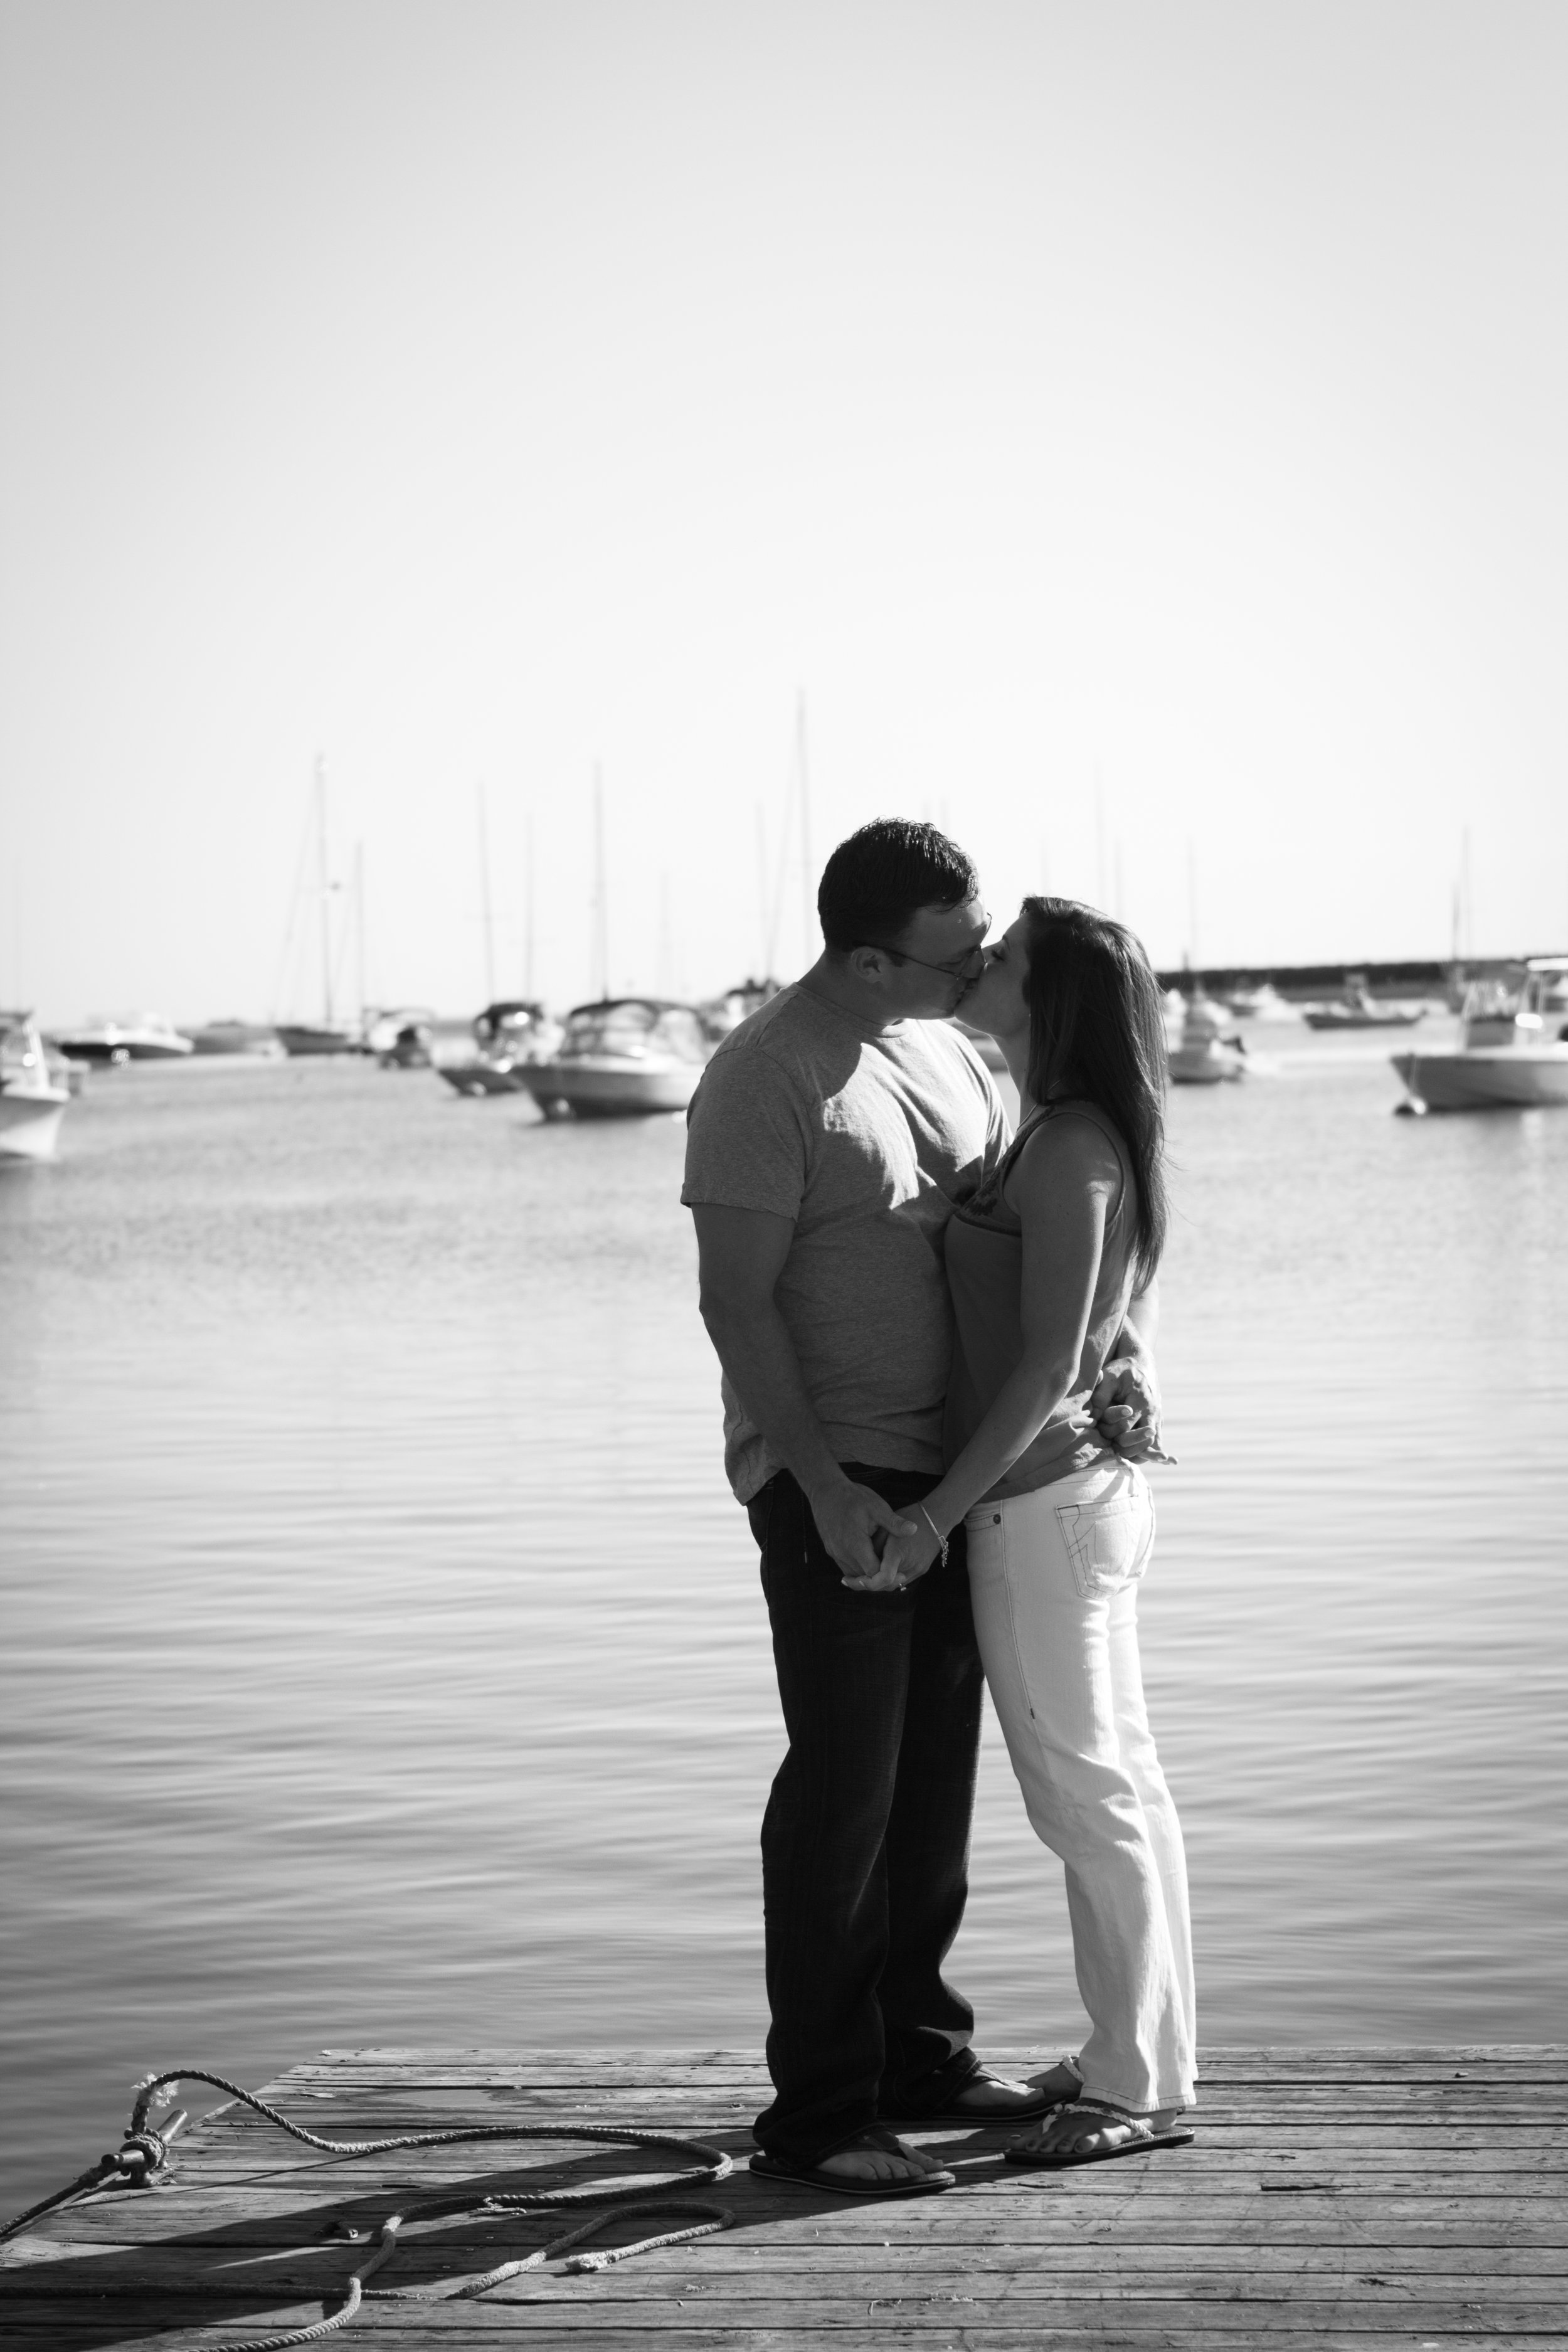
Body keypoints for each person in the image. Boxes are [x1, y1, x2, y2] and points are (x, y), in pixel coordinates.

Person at [682, 825, 1160, 2196]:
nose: (979, 971)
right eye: (958, 955)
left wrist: (1110, 1360)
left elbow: (1037, 1250)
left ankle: (917, 2053)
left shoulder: (949, 1053)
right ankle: (822, 2114)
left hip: (960, 1479)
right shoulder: (762, 1078)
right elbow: (733, 1301)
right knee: (841, 1791)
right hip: (836, 1476)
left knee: (932, 1783)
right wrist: (821, 1485)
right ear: (871, 953)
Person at [867, 896, 1197, 2167]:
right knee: (1119, 1792)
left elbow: (1054, 1361)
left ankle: (1131, 2087)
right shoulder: (1059, 1133)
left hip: (1041, 1509)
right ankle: (1139, 2056)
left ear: (1049, 997)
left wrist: (933, 1514)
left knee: (1087, 1799)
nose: (979, 962)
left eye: (1002, 955)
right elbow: (1112, 1335)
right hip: (1073, 1505)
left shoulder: (1066, 1148)